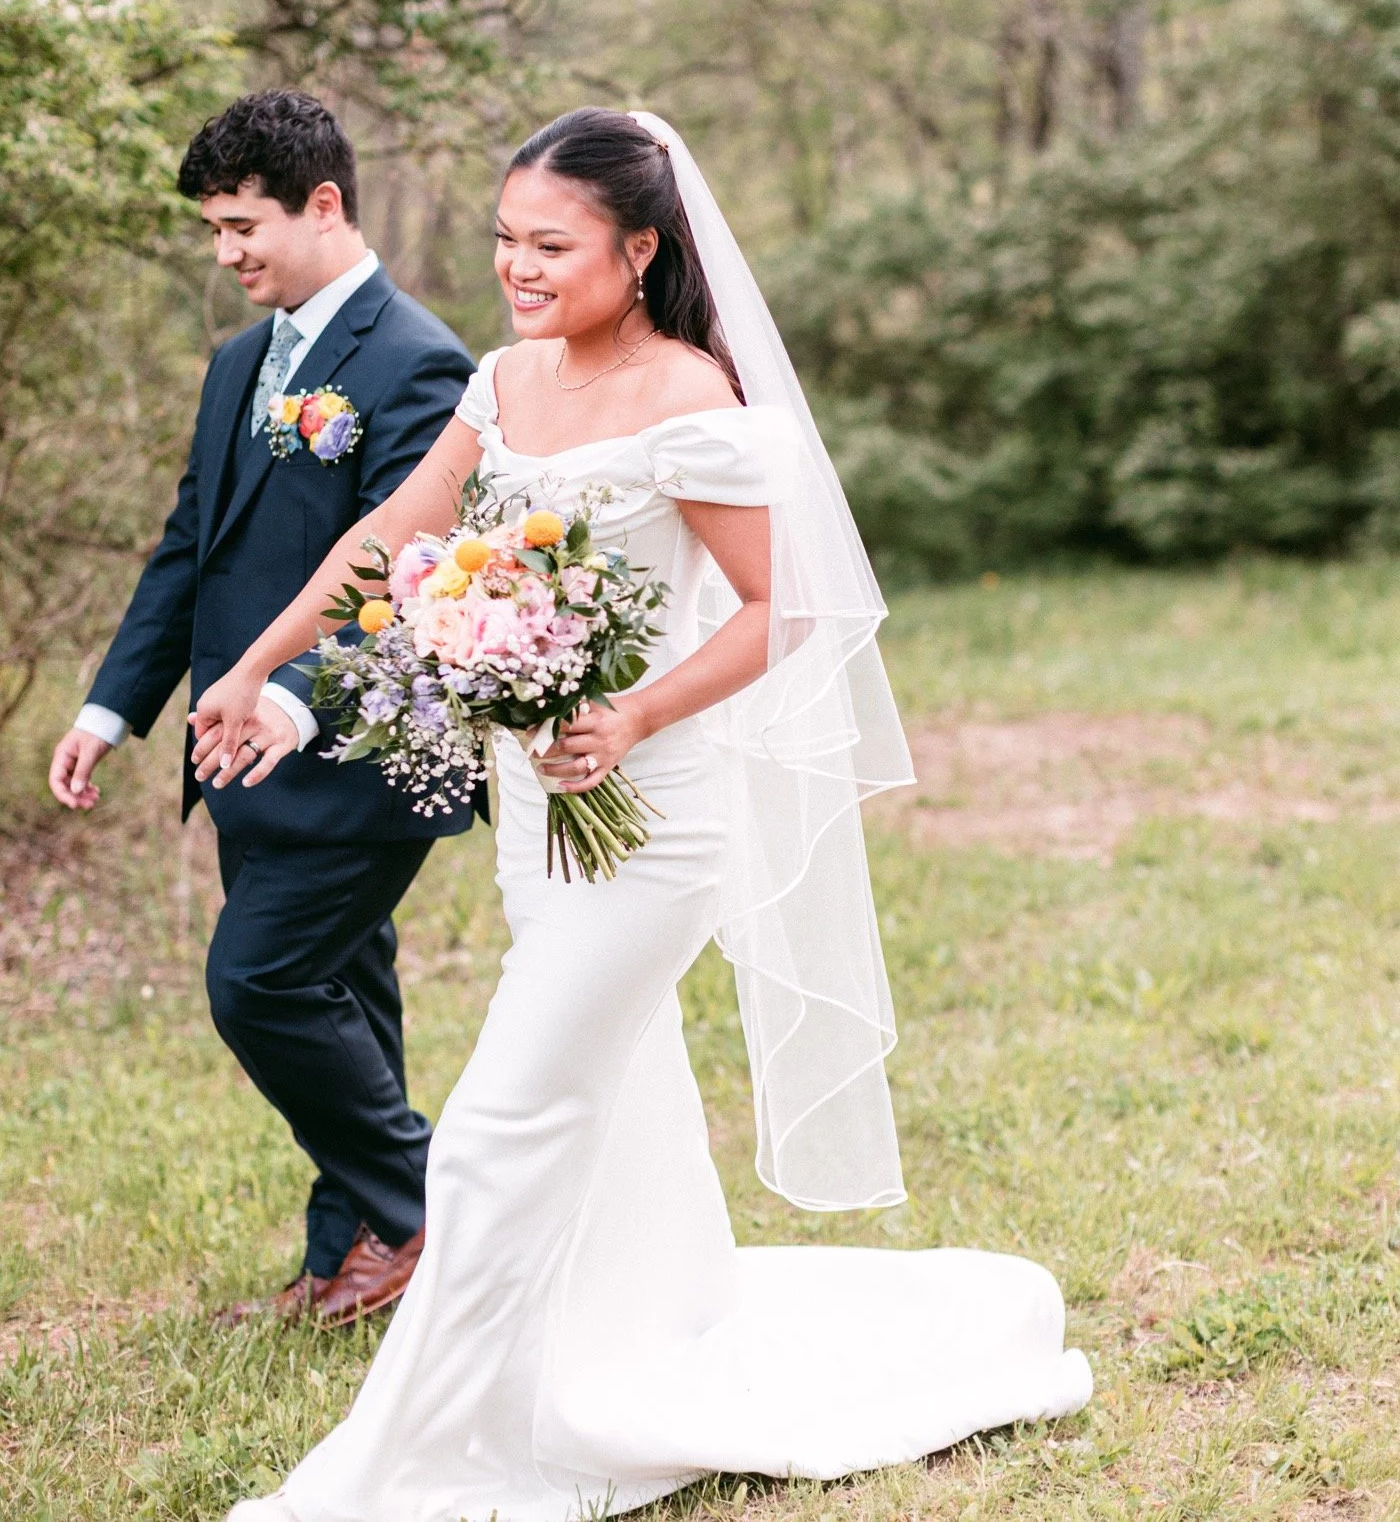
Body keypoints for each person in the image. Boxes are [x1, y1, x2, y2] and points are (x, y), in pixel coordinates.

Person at [193, 108, 1091, 1522]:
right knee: (618, 1100)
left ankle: (421, 1457)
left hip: (652, 822)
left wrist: (635, 714)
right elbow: (389, 541)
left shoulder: (692, 396)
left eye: (551, 245)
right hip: (535, 819)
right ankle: (642, 1339)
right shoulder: (500, 381)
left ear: (641, 249)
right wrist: (257, 666)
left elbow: (784, 606)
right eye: (506, 239)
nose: (518, 266)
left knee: (494, 1127)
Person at [48, 90, 486, 1328]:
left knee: (260, 983)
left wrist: (291, 695)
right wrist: (110, 709)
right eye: (213, 229)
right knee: (347, 995)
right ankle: (351, 1257)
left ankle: (436, 1212)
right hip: (237, 753)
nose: (225, 252)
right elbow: (190, 548)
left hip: (358, 749)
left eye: (242, 225)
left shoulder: (418, 361)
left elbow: (408, 573)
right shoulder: (240, 363)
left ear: (324, 203)